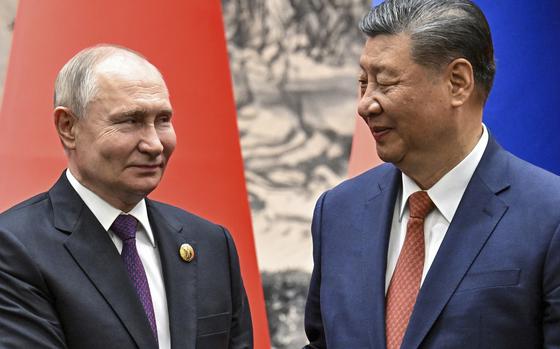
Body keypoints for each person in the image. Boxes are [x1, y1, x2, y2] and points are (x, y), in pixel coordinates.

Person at [303, 0, 560, 348]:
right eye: (364, 82)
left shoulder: (549, 216)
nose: (365, 104)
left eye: (386, 82)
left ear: (458, 82)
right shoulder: (338, 212)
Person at [0, 45, 252, 349]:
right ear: (68, 127)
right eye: (130, 121)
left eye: (162, 120)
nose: (154, 144)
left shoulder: (211, 243)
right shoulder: (15, 247)